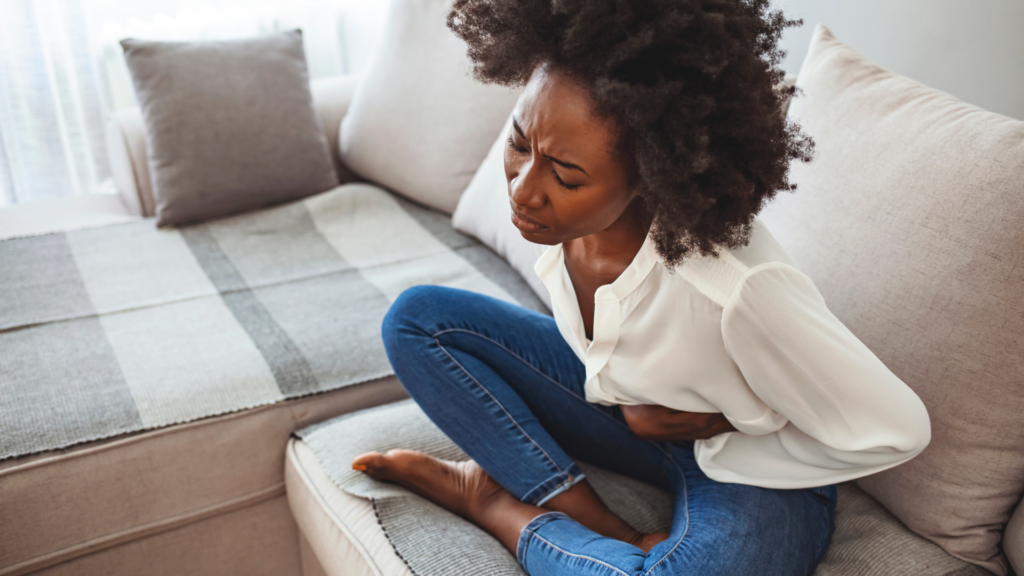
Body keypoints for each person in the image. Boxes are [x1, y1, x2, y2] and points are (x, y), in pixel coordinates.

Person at [351, 1, 932, 574]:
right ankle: (599, 525)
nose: (524, 190)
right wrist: (642, 411)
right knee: (417, 320)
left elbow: (900, 427)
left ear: (649, 174)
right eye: (520, 145)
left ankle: (497, 506)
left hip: (757, 472)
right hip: (631, 421)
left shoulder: (738, 288)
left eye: (565, 174)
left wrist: (724, 420)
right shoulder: (563, 226)